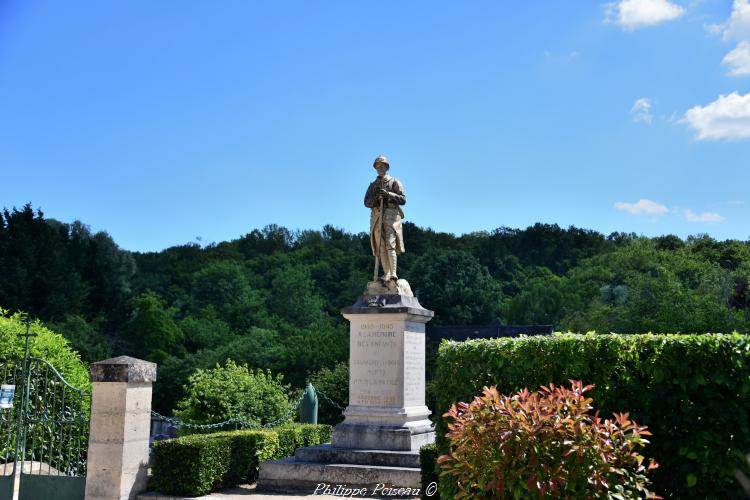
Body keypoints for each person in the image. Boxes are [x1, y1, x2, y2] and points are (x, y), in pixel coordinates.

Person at [364, 155, 406, 282]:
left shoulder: (394, 181)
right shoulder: (373, 186)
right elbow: (366, 202)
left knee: (390, 243)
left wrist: (389, 194)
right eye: (377, 167)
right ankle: (386, 273)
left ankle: (393, 273)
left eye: (382, 166)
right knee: (380, 246)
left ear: (387, 167)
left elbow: (403, 199)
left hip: (391, 217)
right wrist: (377, 198)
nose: (380, 168)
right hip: (377, 217)